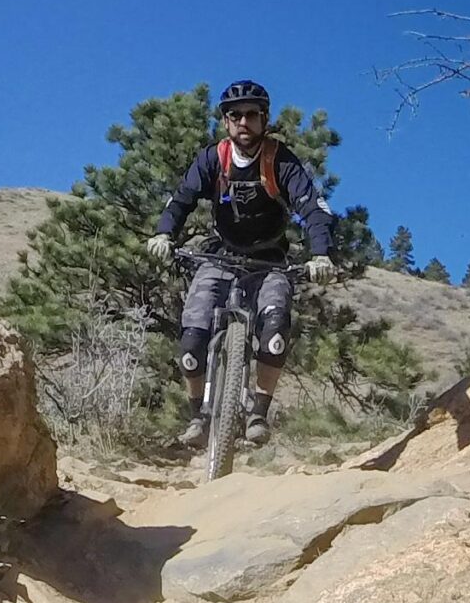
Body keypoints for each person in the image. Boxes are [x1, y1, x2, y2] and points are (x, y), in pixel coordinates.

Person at [144, 80, 337, 448]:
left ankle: (258, 413)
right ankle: (198, 414)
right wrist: (163, 234)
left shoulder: (281, 161)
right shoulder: (213, 159)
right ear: (226, 122)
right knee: (191, 340)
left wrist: (321, 254)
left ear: (264, 119)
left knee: (275, 330)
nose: (243, 122)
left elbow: (313, 208)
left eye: (251, 114)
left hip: (269, 259)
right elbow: (181, 200)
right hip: (220, 254)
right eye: (235, 116)